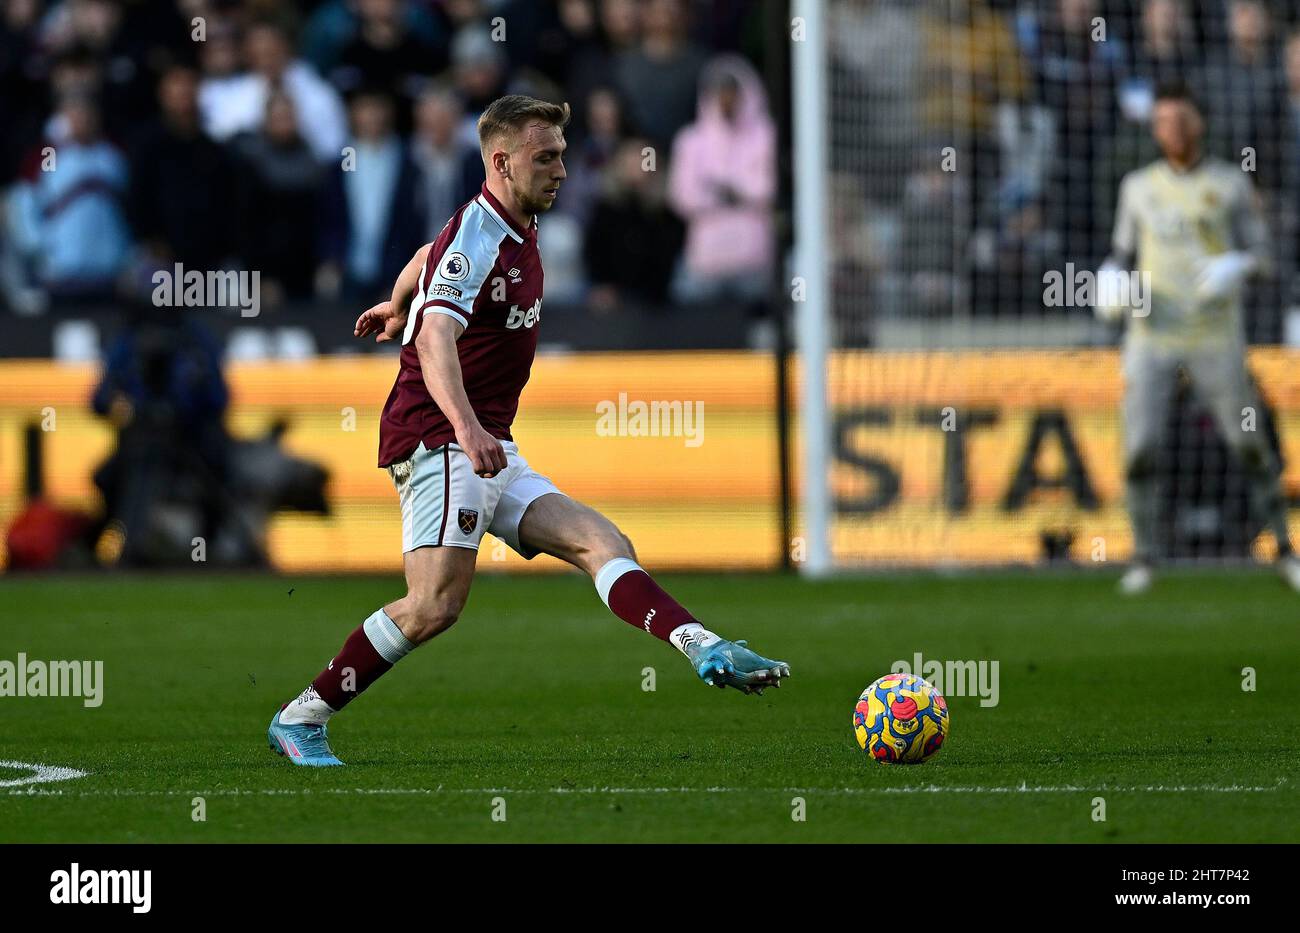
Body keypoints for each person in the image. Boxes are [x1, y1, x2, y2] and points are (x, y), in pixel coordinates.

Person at [267, 95, 789, 766]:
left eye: (564, 156)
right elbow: (435, 340)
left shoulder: (511, 225)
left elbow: (430, 253)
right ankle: (300, 717)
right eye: (546, 158)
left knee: (602, 540)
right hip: (441, 435)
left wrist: (396, 299)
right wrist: (462, 420)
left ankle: (703, 644)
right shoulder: (480, 234)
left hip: (484, 441)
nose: (562, 170)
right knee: (433, 604)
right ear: (501, 161)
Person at [1092, 82, 1300, 594]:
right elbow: (1121, 255)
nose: (1172, 130)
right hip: (1151, 336)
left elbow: (1268, 257)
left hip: (1215, 335)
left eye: (1181, 120)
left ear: (1198, 124)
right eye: (1162, 121)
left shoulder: (1230, 184)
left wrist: (1242, 263)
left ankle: (1284, 547)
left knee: (1249, 445)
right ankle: (1144, 556)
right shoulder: (1137, 187)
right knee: (1140, 447)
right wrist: (1110, 282)